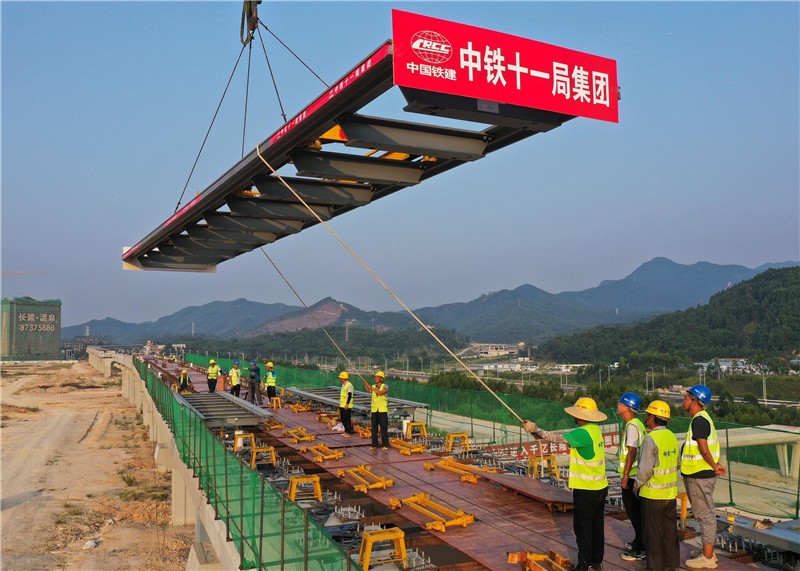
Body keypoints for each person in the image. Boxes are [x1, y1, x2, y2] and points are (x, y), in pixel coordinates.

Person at [524, 397, 608, 571]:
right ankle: (596, 562)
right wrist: (536, 433)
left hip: (586, 488)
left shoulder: (582, 433)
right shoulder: (594, 431)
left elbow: (556, 438)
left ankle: (584, 564)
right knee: (596, 526)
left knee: (583, 527)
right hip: (600, 487)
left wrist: (536, 428)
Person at [681, 384, 726, 569]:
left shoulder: (699, 420)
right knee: (704, 513)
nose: (683, 400)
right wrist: (714, 465)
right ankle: (709, 552)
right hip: (699, 474)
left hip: (699, 475)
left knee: (705, 515)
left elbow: (704, 449)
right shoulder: (702, 419)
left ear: (694, 400)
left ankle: (707, 558)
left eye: (686, 397)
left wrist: (714, 466)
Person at [633, 400, 679, 571]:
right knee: (670, 533)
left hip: (652, 495)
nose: (646, 418)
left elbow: (645, 470)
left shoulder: (650, 439)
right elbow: (677, 463)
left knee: (653, 534)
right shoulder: (671, 436)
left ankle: (655, 567)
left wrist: (637, 485)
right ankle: (672, 566)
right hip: (670, 494)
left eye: (648, 415)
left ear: (652, 418)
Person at [617, 392, 646, 562]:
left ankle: (641, 547)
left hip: (632, 476)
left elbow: (632, 451)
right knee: (636, 513)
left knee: (635, 513)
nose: (618, 405)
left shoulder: (632, 426)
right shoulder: (636, 424)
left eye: (620, 403)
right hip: (635, 474)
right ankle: (638, 541)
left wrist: (626, 475)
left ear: (627, 407)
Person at [363, 371, 390, 449]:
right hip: (374, 410)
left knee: (383, 428)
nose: (376, 378)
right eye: (375, 377)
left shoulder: (385, 386)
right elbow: (368, 391)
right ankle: (374, 444)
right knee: (374, 429)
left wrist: (371, 388)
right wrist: (366, 385)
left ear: (382, 379)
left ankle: (385, 445)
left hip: (382, 411)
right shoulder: (373, 386)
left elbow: (381, 393)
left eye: (377, 377)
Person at [338, 371, 355, 437]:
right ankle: (346, 430)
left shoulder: (349, 385)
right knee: (342, 418)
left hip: (347, 405)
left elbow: (349, 395)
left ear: (343, 378)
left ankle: (348, 432)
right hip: (342, 405)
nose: (340, 379)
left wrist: (347, 404)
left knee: (346, 419)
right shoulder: (343, 385)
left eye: (340, 378)